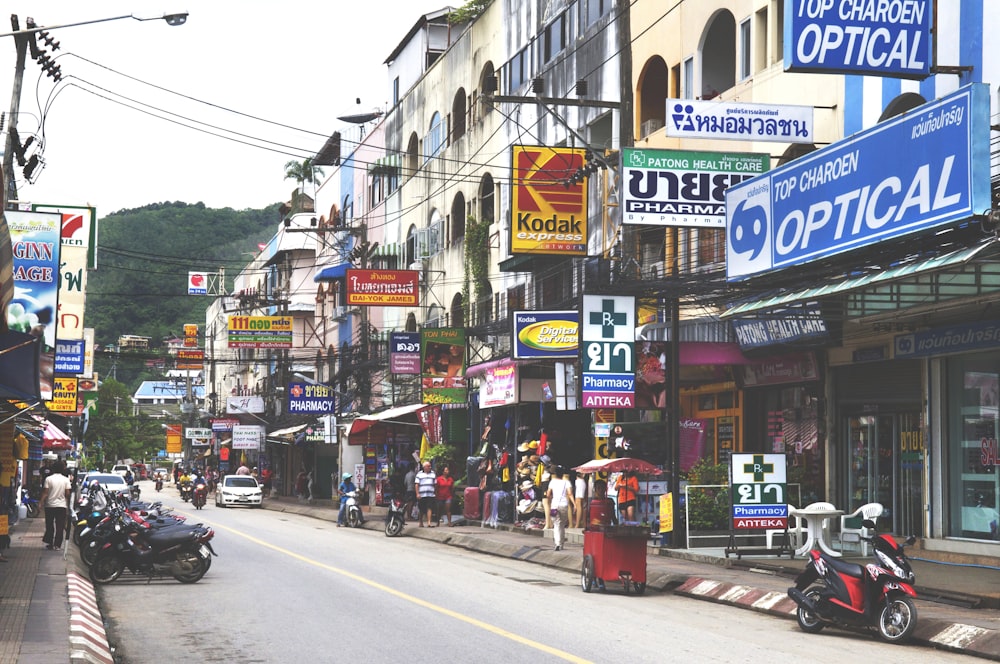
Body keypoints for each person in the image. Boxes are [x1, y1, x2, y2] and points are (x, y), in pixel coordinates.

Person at [40, 460, 71, 550]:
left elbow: (45, 493)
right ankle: (57, 545)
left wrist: (40, 502)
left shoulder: (48, 479)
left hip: (50, 505)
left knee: (49, 525)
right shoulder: (66, 480)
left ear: (53, 469)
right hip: (61, 506)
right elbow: (67, 493)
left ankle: (50, 542)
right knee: (60, 525)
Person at [545, 466, 573, 551]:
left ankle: (557, 543)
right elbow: (570, 493)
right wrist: (574, 504)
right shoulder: (566, 482)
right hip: (564, 505)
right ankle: (561, 544)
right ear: (562, 474)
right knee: (562, 525)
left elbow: (548, 494)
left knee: (556, 524)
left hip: (554, 506)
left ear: (556, 474)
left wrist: (550, 500)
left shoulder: (552, 482)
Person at [414, 461, 436, 527]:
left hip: (430, 494)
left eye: (430, 466)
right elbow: (416, 485)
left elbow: (435, 484)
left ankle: (429, 522)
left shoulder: (433, 474)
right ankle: (421, 522)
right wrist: (417, 493)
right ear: (424, 467)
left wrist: (435, 492)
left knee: (430, 507)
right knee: (422, 509)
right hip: (422, 494)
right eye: (428, 466)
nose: (430, 467)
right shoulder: (419, 474)